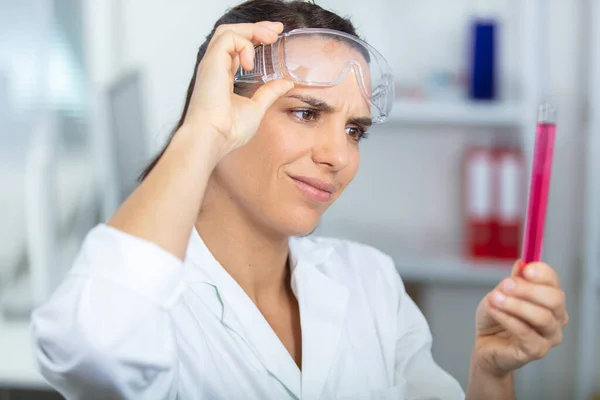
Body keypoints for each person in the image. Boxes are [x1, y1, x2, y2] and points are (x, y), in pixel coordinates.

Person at [30, 1, 568, 399]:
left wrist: (491, 373)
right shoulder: (147, 305)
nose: (339, 155)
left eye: (356, 130)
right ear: (220, 114)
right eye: (306, 113)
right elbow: (92, 347)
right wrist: (202, 132)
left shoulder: (371, 282)